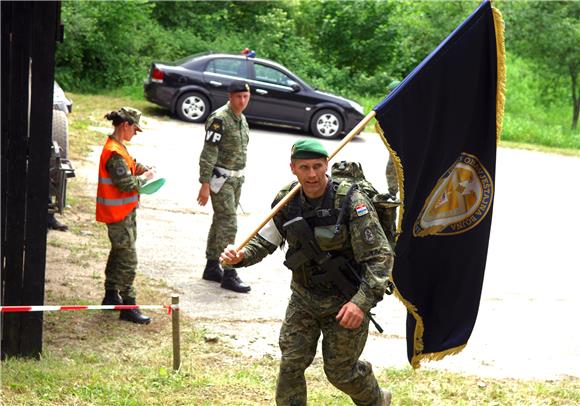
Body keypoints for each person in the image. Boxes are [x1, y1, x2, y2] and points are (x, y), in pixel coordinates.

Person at [221, 139, 394, 405]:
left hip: (345, 301)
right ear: (293, 168)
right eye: (304, 167)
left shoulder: (351, 201)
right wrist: (240, 256)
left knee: (340, 373)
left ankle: (377, 401)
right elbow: (265, 240)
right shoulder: (287, 200)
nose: (312, 174)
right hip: (304, 298)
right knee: (291, 364)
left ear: (327, 165)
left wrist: (360, 303)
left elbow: (380, 257)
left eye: (317, 166)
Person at [96, 107, 156, 324]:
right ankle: (128, 306)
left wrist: (141, 168)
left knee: (119, 253)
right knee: (128, 259)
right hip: (118, 214)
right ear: (125, 125)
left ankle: (111, 294)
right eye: (135, 129)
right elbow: (125, 183)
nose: (135, 133)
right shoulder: (114, 151)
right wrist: (146, 177)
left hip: (122, 212)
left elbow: (128, 166)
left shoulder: (118, 148)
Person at [197, 80, 252, 293]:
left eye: (245, 96)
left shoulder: (241, 119)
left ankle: (212, 266)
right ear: (230, 96)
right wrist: (203, 184)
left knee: (220, 221)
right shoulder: (220, 119)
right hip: (221, 180)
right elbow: (208, 152)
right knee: (229, 223)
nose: (242, 101)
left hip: (236, 179)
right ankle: (229, 272)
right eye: (238, 96)